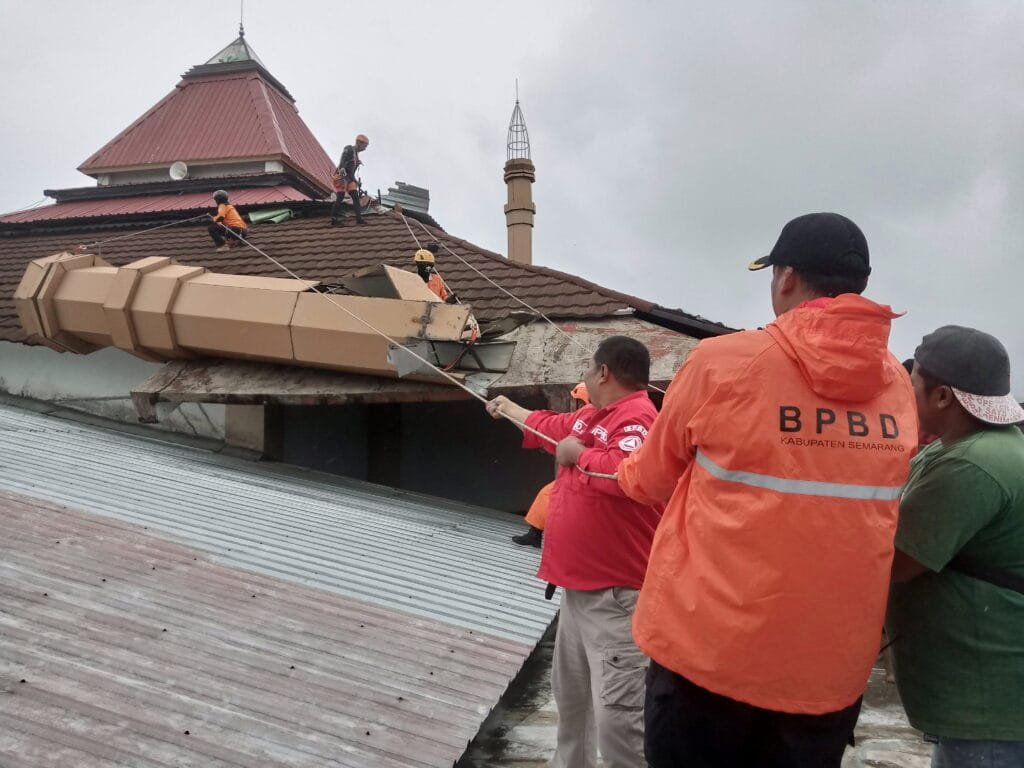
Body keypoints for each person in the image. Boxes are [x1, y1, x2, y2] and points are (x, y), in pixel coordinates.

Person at [618, 212, 918, 767]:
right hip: (829, 670)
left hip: (709, 657)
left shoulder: (722, 363)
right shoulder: (897, 383)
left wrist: (611, 466)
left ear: (785, 278)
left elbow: (648, 480)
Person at [486, 336, 664, 768]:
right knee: (575, 708)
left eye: (588, 367)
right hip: (578, 594)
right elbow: (549, 428)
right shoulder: (592, 415)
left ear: (604, 372)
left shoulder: (639, 418)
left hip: (617, 600)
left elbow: (627, 474)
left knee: (619, 724)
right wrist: (508, 409)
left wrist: (578, 455)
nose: (584, 375)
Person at [887, 326, 1024, 768]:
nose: (905, 389)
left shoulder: (972, 464)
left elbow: (896, 562)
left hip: (988, 707)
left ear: (943, 396)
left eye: (913, 382)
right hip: (986, 700)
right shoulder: (975, 445)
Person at [513, 383, 590, 548]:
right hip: (576, 477)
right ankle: (535, 534)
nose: (577, 404)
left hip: (587, 480)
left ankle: (545, 537)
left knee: (556, 498)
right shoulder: (581, 417)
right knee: (547, 495)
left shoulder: (594, 417)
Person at [329, 133, 369, 226]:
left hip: (349, 178)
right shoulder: (349, 149)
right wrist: (343, 177)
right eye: (364, 146)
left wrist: (355, 181)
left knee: (355, 197)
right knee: (341, 195)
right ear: (359, 143)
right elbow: (342, 162)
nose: (365, 149)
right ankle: (334, 219)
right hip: (341, 175)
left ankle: (359, 219)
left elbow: (351, 173)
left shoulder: (356, 156)